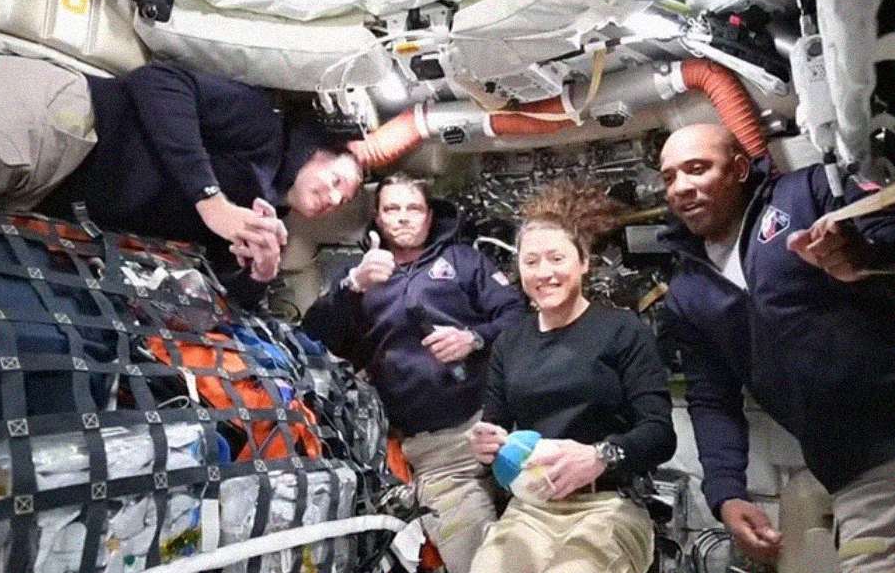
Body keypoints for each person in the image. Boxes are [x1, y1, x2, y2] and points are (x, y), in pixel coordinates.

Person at [0, 55, 363, 304]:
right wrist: (210, 199)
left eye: (343, 200)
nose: (334, 197)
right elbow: (159, 84)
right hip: (51, 123)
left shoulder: (264, 215)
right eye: (339, 178)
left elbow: (215, 298)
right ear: (317, 149)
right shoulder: (261, 126)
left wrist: (259, 270)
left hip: (39, 196)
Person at [658, 123, 895, 572]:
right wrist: (726, 493)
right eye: (669, 177)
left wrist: (866, 259)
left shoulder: (806, 194)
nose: (681, 187)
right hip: (857, 469)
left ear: (740, 168)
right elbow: (712, 398)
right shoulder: (687, 292)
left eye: (696, 169)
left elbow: (885, 235)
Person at [302, 172, 526, 573]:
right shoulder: (359, 276)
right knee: (474, 559)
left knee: (551, 529)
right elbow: (312, 339)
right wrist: (353, 283)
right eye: (392, 208)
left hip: (496, 420)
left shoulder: (463, 260)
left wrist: (474, 338)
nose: (403, 218)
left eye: (413, 208)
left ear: (429, 216)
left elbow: (516, 314)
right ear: (378, 217)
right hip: (435, 450)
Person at [467, 181, 675, 573]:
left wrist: (600, 456)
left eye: (556, 258)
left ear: (583, 262)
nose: (544, 272)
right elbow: (493, 428)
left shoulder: (623, 330)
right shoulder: (510, 343)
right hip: (531, 507)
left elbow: (660, 434)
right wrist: (484, 443)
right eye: (531, 262)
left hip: (608, 504)